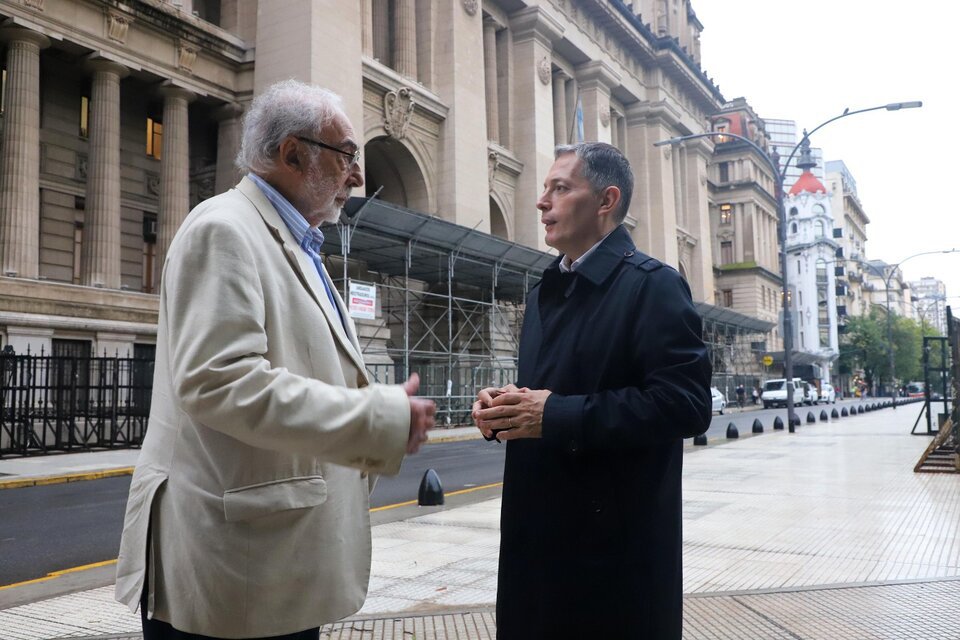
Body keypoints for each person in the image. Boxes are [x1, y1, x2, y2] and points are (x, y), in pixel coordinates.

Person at [114, 80, 436, 640]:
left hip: (270, 567)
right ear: (292, 154)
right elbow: (219, 382)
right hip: (233, 575)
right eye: (348, 157)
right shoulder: (224, 230)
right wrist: (373, 418)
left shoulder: (293, 239)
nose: (357, 177)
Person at [472, 142, 711, 638]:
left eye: (560, 188)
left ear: (606, 201)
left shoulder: (654, 286)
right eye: (545, 189)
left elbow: (685, 405)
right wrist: (505, 410)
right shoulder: (543, 292)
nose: (542, 202)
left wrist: (555, 415)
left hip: (612, 563)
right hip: (534, 549)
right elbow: (549, 397)